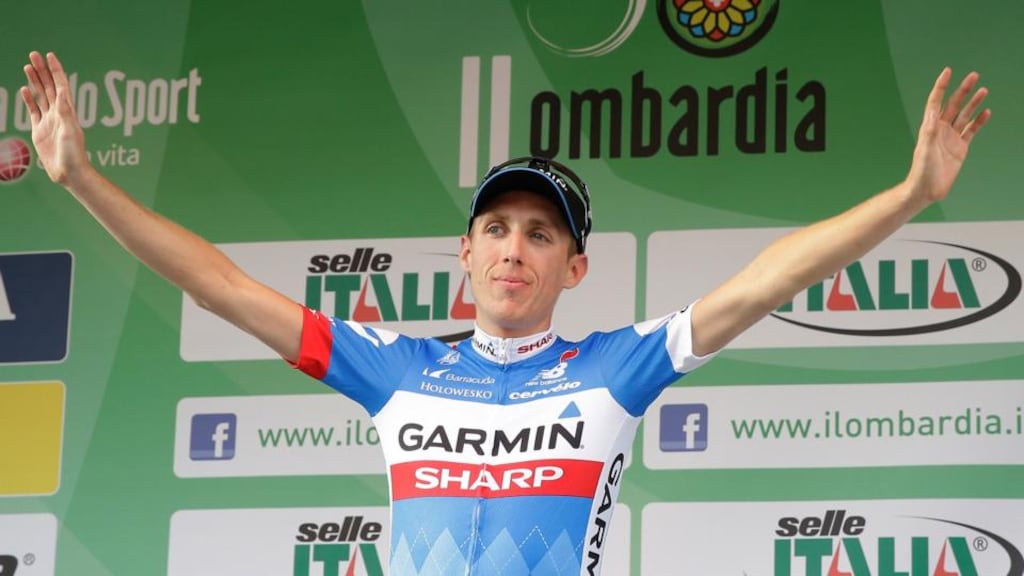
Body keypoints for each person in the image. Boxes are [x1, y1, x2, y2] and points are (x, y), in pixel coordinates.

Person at [21, 51, 990, 575]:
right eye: (495, 228)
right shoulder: (392, 365)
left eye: (538, 234)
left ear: (574, 266)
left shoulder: (617, 365)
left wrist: (905, 200)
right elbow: (219, 287)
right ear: (466, 254)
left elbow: (764, 282)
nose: (512, 248)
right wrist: (83, 180)